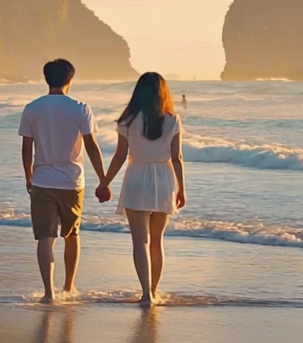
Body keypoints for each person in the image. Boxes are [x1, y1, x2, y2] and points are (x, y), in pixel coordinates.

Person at [19, 58, 107, 303]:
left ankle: (48, 292)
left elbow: (27, 148)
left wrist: (28, 174)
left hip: (42, 180)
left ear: (47, 79)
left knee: (45, 238)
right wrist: (103, 179)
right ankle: (69, 287)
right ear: (70, 79)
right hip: (72, 181)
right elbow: (91, 145)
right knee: (72, 235)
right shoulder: (80, 108)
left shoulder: (32, 108)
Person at [98, 72, 186, 307]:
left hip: (136, 176)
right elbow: (176, 157)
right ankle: (154, 292)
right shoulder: (172, 120)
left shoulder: (127, 121)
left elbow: (119, 156)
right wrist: (181, 189)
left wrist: (105, 182)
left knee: (141, 242)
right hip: (163, 178)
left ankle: (145, 293)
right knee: (157, 241)